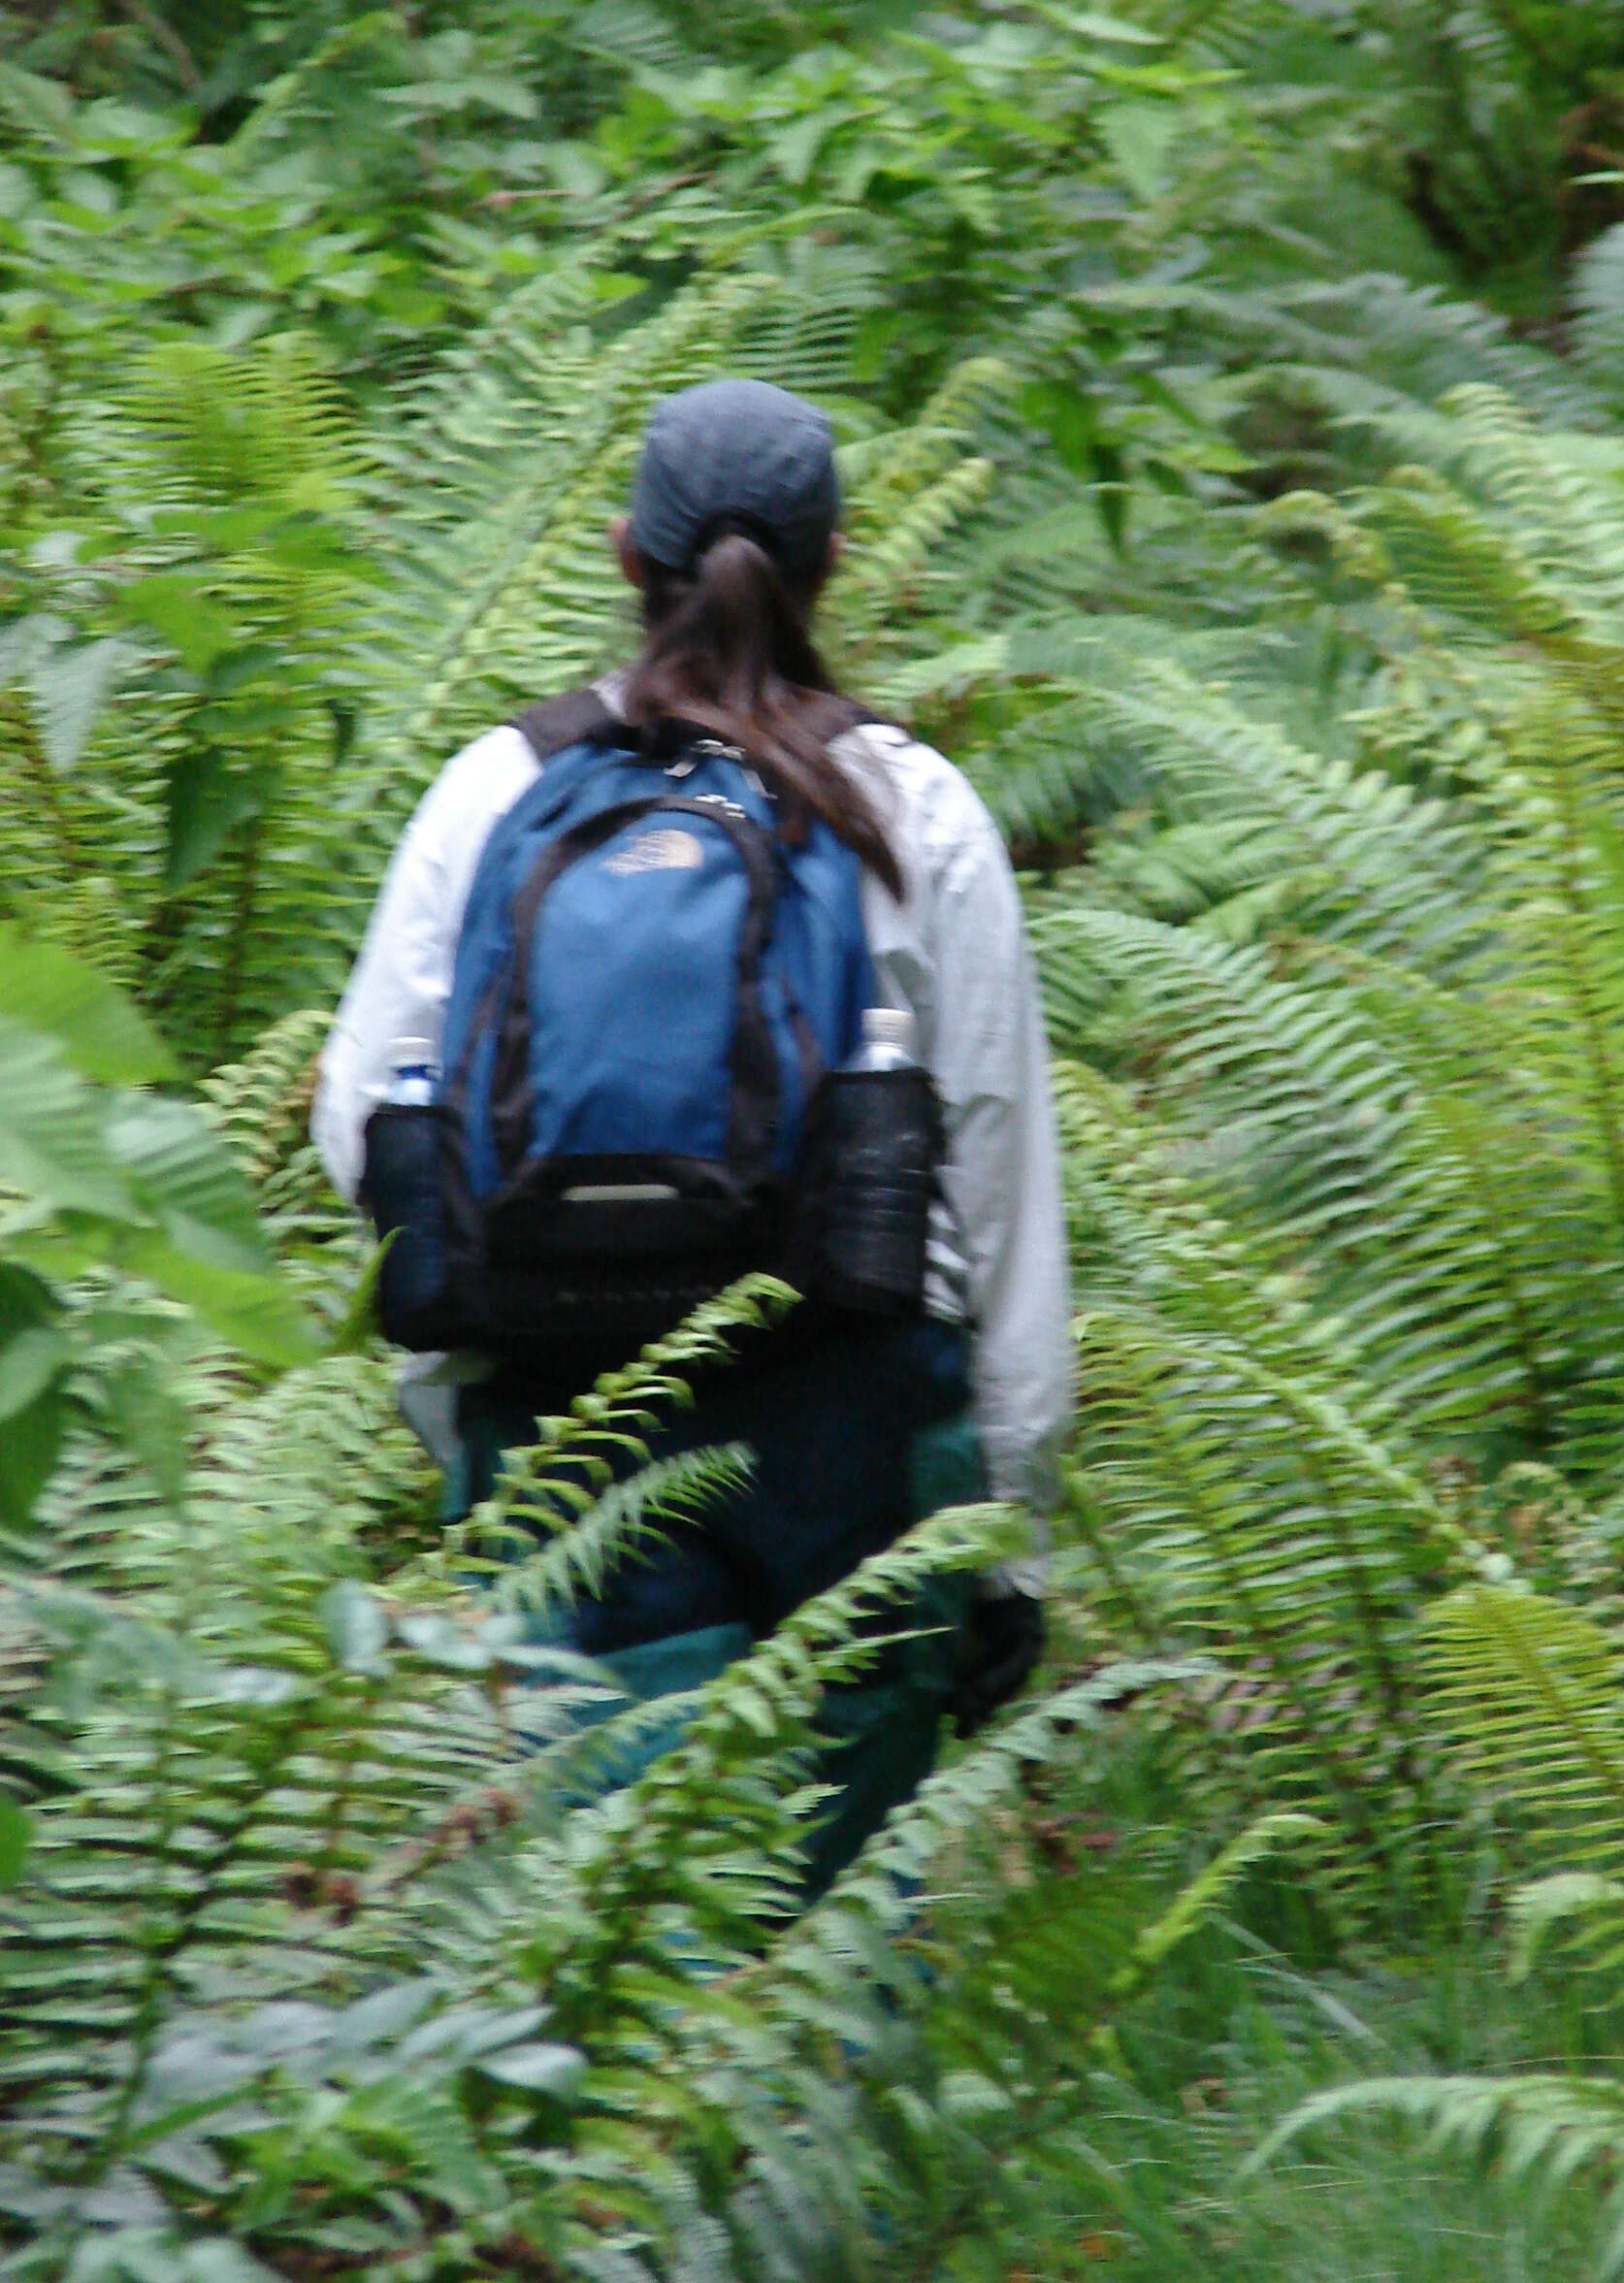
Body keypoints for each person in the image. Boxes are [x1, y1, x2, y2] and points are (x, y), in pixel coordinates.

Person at [312, 377, 1072, 1889]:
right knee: (822, 1937)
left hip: (559, 1423)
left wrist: (455, 1400)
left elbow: (367, 1124)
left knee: (605, 1927)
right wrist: (1010, 1534)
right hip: (850, 1424)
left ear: (622, 553)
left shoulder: (498, 789)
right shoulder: (910, 809)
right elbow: (995, 1176)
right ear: (835, 561)